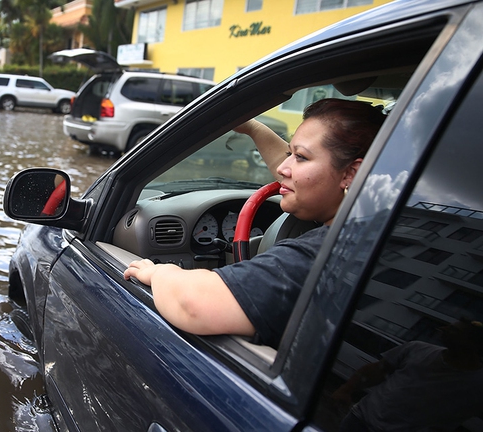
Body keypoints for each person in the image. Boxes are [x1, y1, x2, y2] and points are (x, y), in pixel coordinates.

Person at [123, 98, 387, 347]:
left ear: (352, 173)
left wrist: (159, 272)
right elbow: (307, 177)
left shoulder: (323, 255)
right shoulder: (383, 229)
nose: (284, 168)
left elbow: (191, 305)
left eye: (301, 157)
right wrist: (251, 127)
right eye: (289, 153)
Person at [332, 319, 483, 431]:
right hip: (360, 420)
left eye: (453, 330)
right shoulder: (418, 349)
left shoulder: (477, 384)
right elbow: (378, 370)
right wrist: (345, 390)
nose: (442, 329)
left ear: (471, 343)